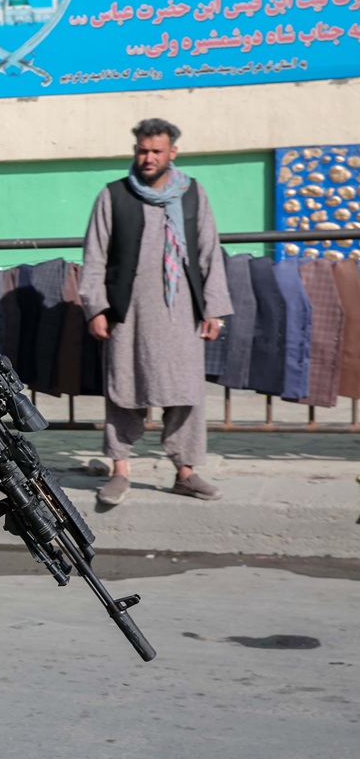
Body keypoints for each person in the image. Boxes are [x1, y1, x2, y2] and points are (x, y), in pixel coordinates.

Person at [79, 118, 233, 506]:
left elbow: (209, 252)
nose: (148, 158)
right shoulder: (113, 195)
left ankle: (185, 472)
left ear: (172, 153)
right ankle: (120, 469)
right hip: (127, 313)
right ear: (136, 151)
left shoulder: (193, 194)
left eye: (156, 152)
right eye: (143, 151)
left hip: (182, 312)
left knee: (186, 393)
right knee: (123, 390)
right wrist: (95, 307)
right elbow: (95, 257)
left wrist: (214, 308)